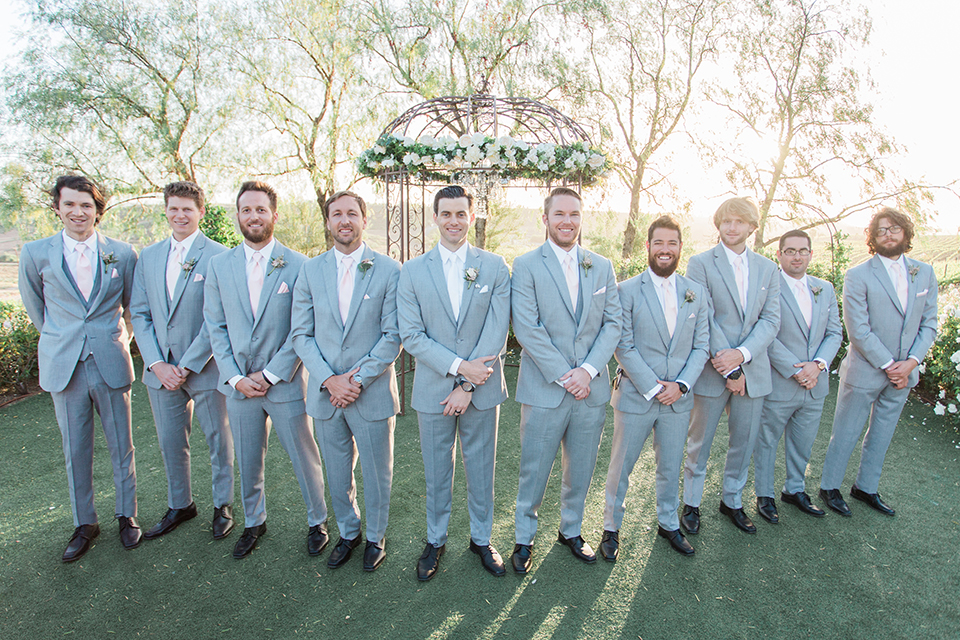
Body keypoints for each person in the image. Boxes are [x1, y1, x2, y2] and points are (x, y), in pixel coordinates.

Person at [19, 175, 140, 561]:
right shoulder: (35, 253)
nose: (78, 211)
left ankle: (127, 515)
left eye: (86, 205)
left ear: (97, 210)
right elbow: (37, 310)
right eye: (69, 204)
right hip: (65, 364)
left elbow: (132, 308)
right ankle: (85, 523)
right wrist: (62, 339)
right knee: (76, 449)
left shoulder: (122, 253)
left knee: (123, 445)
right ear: (57, 207)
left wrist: (115, 338)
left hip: (110, 361)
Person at [204, 180, 328, 559]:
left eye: (260, 210)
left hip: (284, 382)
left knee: (303, 454)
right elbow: (215, 325)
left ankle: (317, 520)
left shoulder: (300, 266)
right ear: (238, 215)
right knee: (247, 456)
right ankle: (254, 521)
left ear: (274, 215)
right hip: (238, 384)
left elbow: (302, 328)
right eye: (246, 210)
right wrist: (235, 377)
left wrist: (272, 373)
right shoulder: (218, 265)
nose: (253, 216)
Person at [397, 185, 511, 581]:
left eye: (461, 214)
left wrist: (469, 386)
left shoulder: (495, 267)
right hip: (433, 389)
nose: (453, 221)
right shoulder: (411, 271)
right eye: (446, 214)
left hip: (481, 391)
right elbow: (411, 335)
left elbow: (497, 331)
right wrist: (460, 370)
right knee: (436, 470)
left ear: (472, 215)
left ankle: (481, 539)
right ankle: (435, 538)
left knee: (482, 468)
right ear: (435, 217)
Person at [510, 187, 621, 572]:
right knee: (534, 468)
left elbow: (613, 324)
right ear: (545, 219)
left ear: (581, 218)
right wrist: (565, 375)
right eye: (559, 214)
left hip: (590, 390)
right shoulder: (525, 265)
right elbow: (527, 327)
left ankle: (571, 530)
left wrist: (587, 371)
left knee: (582, 467)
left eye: (574, 214)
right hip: (544, 389)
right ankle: (524, 537)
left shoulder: (601, 265)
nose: (567, 221)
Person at [291, 190, 401, 572]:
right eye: (336, 214)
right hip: (325, 394)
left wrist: (354, 380)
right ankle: (349, 532)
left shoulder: (389, 269)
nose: (344, 220)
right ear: (327, 221)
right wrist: (329, 380)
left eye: (352, 213)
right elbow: (301, 335)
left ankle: (376, 537)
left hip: (369, 392)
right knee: (337, 474)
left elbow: (392, 336)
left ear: (364, 219)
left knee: (376, 472)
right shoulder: (310, 270)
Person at [131, 181, 236, 542]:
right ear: (166, 210)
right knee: (171, 441)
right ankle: (181, 504)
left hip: (205, 366)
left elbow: (218, 318)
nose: (180, 215)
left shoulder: (220, 256)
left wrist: (188, 363)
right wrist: (157, 363)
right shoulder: (148, 257)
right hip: (160, 371)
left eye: (187, 209)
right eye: (173, 208)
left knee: (218, 438)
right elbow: (140, 314)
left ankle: (222, 504)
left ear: (201, 212)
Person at [600, 216, 709, 559]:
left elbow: (702, 346)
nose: (665, 250)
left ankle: (668, 524)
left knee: (670, 465)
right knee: (621, 467)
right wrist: (653, 386)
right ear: (648, 246)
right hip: (635, 395)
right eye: (659, 243)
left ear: (680, 248)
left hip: (678, 399)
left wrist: (680, 385)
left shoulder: (695, 293)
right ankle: (610, 528)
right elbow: (623, 345)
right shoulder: (626, 290)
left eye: (672, 243)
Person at [819, 208, 937, 517]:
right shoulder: (857, 275)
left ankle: (865, 488)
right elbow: (858, 329)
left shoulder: (924, 273)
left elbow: (929, 325)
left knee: (882, 434)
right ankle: (829, 487)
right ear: (873, 237)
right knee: (846, 431)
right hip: (865, 370)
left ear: (905, 234)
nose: (888, 234)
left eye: (895, 228)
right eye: (881, 230)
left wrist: (910, 363)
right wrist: (890, 364)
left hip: (904, 374)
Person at [682, 196, 780, 535]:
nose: (732, 227)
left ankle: (732, 501)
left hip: (753, 370)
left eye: (739, 222)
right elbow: (702, 316)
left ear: (752, 227)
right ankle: (691, 503)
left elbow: (771, 320)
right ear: (718, 225)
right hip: (712, 369)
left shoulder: (768, 268)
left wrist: (742, 357)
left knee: (745, 440)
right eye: (726, 221)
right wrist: (728, 366)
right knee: (700, 441)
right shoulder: (700, 263)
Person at [752, 230, 841, 524]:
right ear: (779, 255)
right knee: (767, 440)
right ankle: (764, 494)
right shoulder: (767, 286)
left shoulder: (824, 288)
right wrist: (796, 369)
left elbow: (834, 333)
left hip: (815, 384)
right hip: (781, 381)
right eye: (790, 251)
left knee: (803, 442)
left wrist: (817, 365)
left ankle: (795, 489)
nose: (797, 256)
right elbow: (766, 334)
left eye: (802, 250)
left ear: (811, 254)